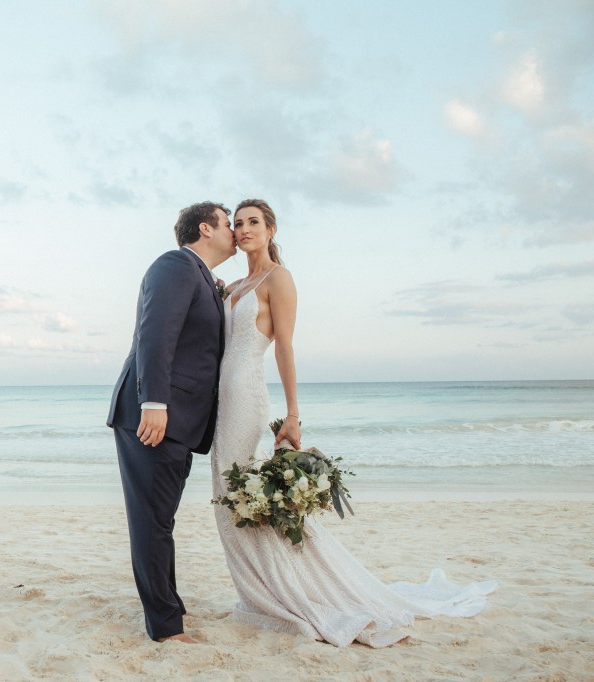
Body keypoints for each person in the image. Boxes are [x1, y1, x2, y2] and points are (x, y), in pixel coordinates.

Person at [210, 198, 495, 647]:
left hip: (246, 398)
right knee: (230, 498)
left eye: (253, 223)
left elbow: (284, 347)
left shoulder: (278, 278)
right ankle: (259, 591)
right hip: (222, 402)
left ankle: (288, 593)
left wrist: (293, 414)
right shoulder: (234, 286)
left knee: (247, 498)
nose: (244, 229)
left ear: (271, 230)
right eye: (238, 223)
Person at [107, 201, 236, 643]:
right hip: (154, 416)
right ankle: (164, 627)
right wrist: (154, 403)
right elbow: (154, 333)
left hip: (178, 419)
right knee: (152, 522)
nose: (235, 230)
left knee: (160, 519)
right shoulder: (176, 264)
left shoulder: (202, 276)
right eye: (228, 223)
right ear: (206, 228)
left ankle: (170, 606)